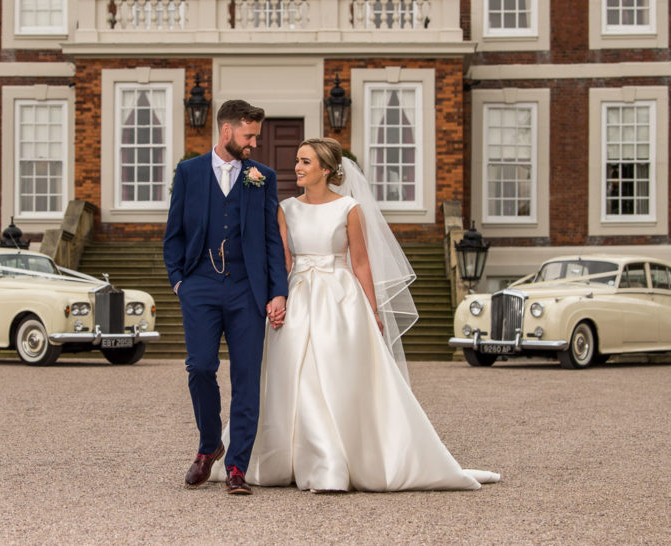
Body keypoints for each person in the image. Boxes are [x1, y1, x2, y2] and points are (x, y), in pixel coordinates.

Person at [214, 137, 499, 491]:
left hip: (339, 299)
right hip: (299, 295)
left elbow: (361, 262)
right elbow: (283, 261)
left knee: (332, 374)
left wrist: (373, 310)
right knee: (290, 374)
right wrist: (276, 299)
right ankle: (285, 460)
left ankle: (332, 464)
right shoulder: (285, 208)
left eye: (305, 162)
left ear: (327, 170)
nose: (297, 168)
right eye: (298, 161)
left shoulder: (349, 208)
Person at [163, 100, 289, 496]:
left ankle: (237, 466)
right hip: (199, 285)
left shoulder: (261, 177)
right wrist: (179, 282)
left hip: (246, 289)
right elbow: (174, 233)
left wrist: (277, 290)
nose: (254, 143)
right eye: (248, 135)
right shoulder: (188, 173)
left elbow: (272, 239)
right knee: (200, 368)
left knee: (247, 377)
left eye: (256, 136)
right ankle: (209, 445)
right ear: (226, 130)